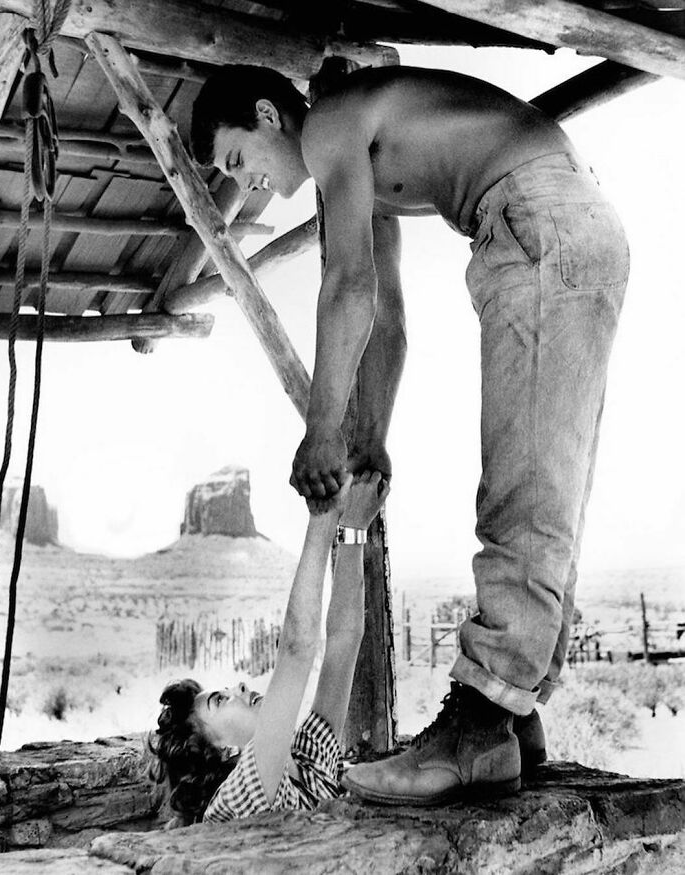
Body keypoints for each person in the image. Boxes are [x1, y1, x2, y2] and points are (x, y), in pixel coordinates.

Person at [190, 64, 629, 805]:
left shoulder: (329, 122)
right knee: (549, 477)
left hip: (535, 215)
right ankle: (514, 718)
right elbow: (385, 315)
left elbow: (346, 288)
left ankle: (481, 722)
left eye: (239, 160)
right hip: (565, 219)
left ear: (269, 115)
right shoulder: (351, 162)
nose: (251, 185)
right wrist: (369, 439)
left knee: (523, 483)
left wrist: (322, 431)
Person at [150, 472, 390, 823]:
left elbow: (344, 643)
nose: (243, 686)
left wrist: (353, 528)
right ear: (220, 751)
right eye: (221, 700)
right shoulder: (240, 794)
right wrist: (323, 516)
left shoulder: (305, 763)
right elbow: (296, 650)